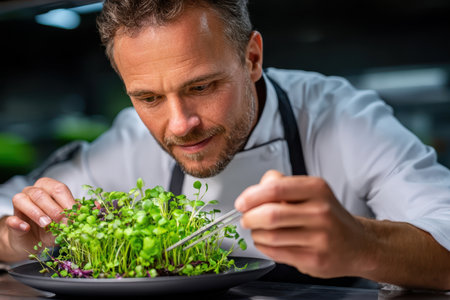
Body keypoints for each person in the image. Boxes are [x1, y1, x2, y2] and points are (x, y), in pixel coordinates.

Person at [0, 0, 449, 290]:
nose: (179, 125)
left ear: (252, 58)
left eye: (202, 87)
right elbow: (8, 208)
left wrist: (362, 243)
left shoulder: (343, 118)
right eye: (149, 98)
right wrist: (17, 240)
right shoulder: (129, 140)